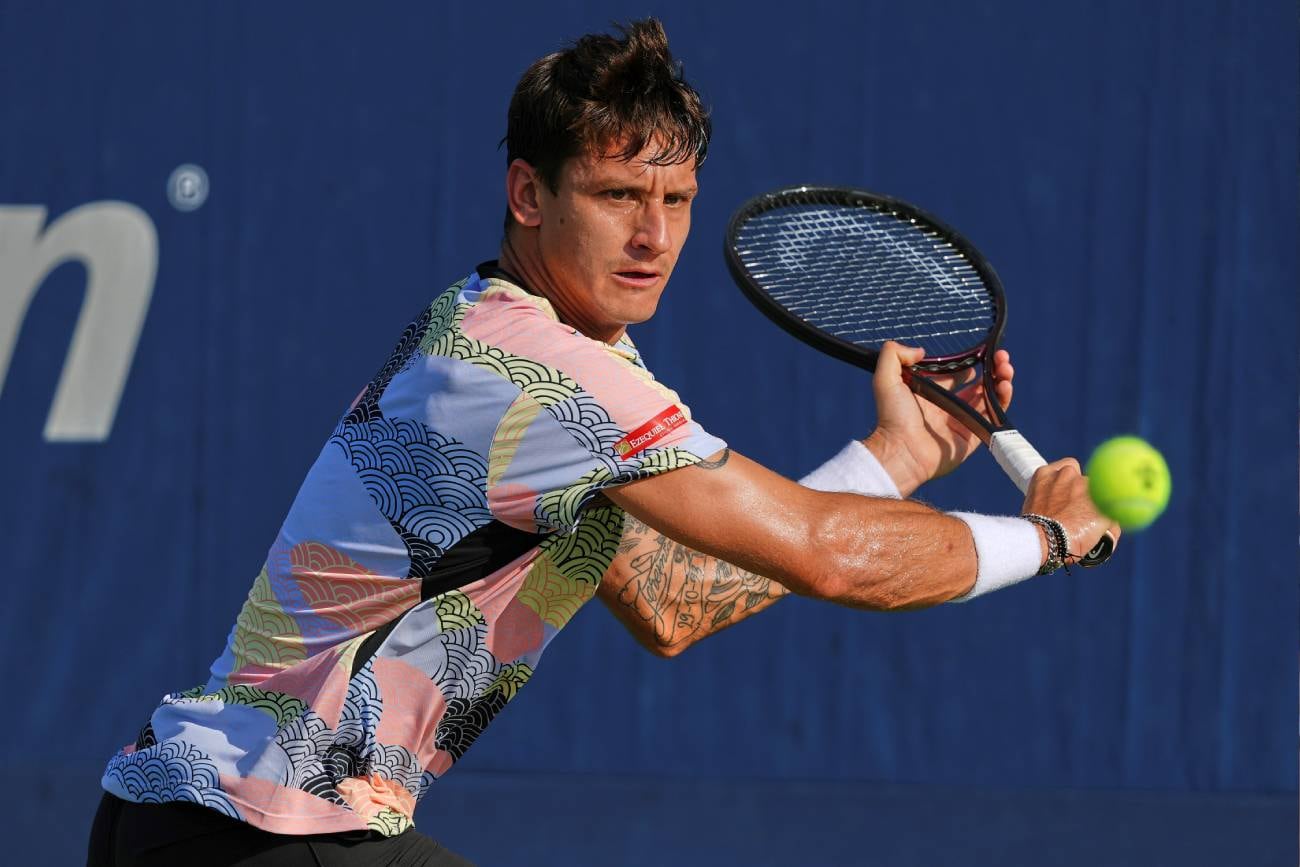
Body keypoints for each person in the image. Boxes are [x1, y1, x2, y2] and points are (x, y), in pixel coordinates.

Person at [88, 18, 1115, 866]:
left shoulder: (515, 347)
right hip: (256, 827)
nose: (653, 237)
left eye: (674, 202)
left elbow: (674, 603)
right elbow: (825, 553)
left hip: (191, 824)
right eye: (618, 196)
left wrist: (897, 459)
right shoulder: (545, 380)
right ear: (529, 195)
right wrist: (1049, 541)